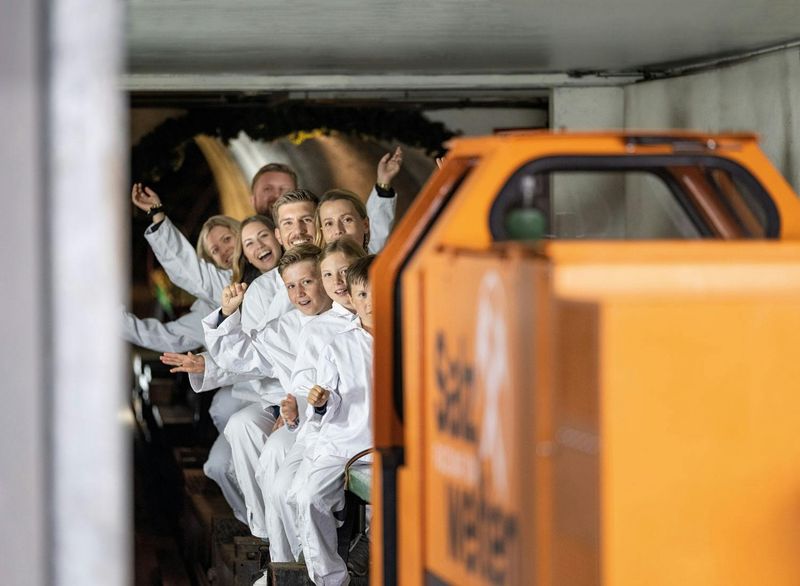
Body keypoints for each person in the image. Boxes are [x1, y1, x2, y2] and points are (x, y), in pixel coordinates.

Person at [124, 213, 249, 524]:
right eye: (212, 251)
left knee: (226, 409)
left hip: (287, 397)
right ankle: (255, 526)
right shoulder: (211, 302)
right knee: (219, 461)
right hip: (248, 396)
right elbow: (164, 334)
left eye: (226, 240)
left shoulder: (268, 278)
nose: (222, 251)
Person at [262, 239, 368, 566]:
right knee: (286, 490)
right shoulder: (320, 331)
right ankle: (296, 564)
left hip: (365, 435)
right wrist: (305, 405)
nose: (337, 283)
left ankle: (354, 549)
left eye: (345, 273)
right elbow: (306, 385)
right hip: (324, 431)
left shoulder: (383, 322)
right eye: (327, 275)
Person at [291, 255, 376, 586]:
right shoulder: (338, 346)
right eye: (363, 294)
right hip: (344, 443)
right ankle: (330, 579)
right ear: (352, 299)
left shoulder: (414, 339)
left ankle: (372, 554)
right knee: (308, 497)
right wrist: (323, 401)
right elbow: (329, 399)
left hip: (393, 447)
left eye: (378, 291)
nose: (370, 302)